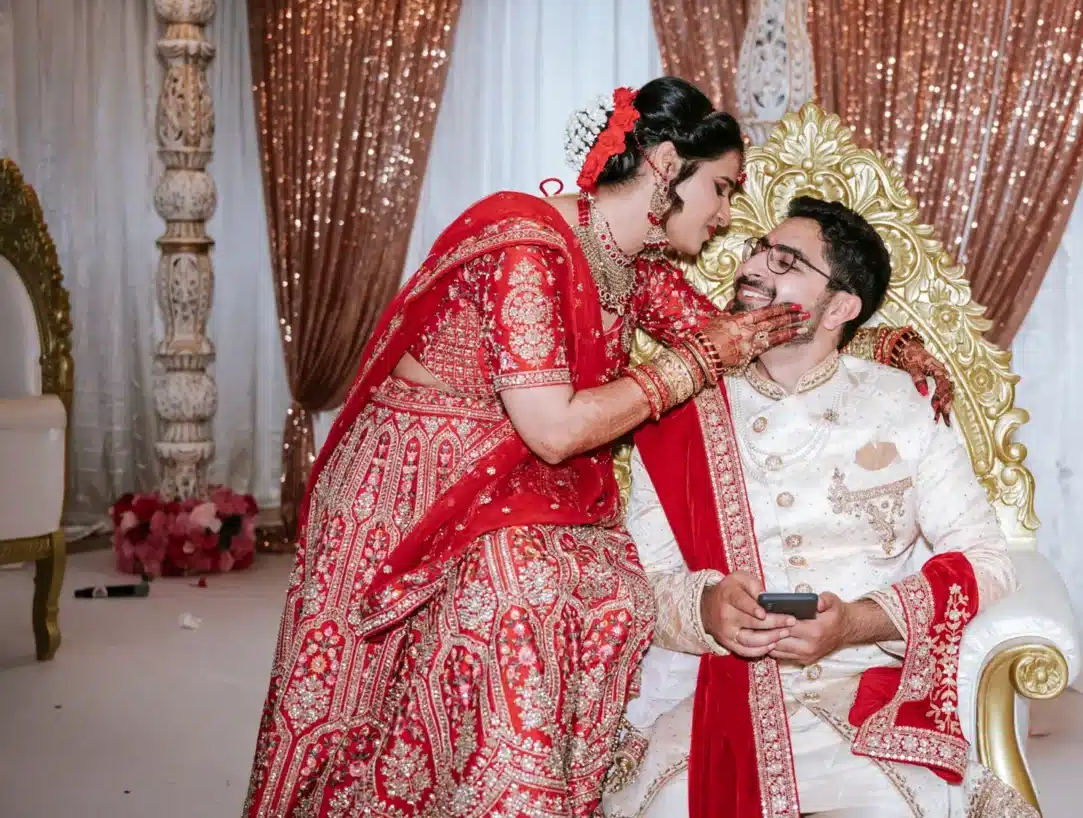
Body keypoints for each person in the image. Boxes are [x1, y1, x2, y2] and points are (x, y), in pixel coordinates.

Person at [242, 78, 954, 818]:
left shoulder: (628, 264)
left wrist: (873, 339)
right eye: (721, 188)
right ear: (667, 165)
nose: (725, 215)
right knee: (521, 600)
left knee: (614, 593)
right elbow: (555, 431)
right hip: (418, 489)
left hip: (512, 490)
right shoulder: (525, 247)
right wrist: (696, 361)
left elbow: (749, 337)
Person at [603, 196, 1039, 818]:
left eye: (786, 261)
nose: (754, 266)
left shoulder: (902, 405)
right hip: (718, 695)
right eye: (758, 249)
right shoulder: (680, 414)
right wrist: (707, 608)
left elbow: (987, 562)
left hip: (860, 698)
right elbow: (642, 582)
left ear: (839, 306)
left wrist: (856, 623)